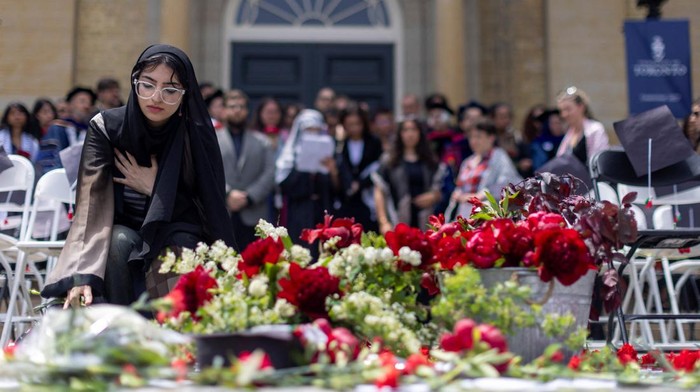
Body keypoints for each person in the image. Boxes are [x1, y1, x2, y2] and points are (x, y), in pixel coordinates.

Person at [41, 44, 235, 308]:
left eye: (170, 89)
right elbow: (91, 204)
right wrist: (82, 273)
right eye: (148, 84)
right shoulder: (107, 127)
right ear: (134, 83)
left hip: (178, 228)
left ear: (185, 95)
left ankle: (173, 340)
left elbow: (208, 206)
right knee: (118, 241)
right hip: (123, 228)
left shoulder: (195, 134)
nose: (156, 97)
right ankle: (121, 330)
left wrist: (157, 189)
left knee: (182, 248)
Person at [217, 90, 276, 251]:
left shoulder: (262, 141)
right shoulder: (211, 139)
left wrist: (249, 196)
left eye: (241, 107)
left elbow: (270, 173)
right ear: (224, 110)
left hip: (254, 215)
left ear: (247, 111)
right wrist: (228, 193)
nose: (237, 110)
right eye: (232, 106)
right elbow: (205, 171)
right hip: (221, 213)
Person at [276, 109, 338, 245]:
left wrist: (331, 170)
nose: (312, 134)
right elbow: (283, 185)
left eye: (316, 130)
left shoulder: (330, 154)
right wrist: (301, 167)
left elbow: (338, 189)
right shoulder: (290, 156)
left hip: (322, 211)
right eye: (308, 130)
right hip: (298, 212)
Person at [373, 119, 445, 234]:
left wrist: (434, 196)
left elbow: (442, 188)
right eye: (405, 130)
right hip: (397, 220)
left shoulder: (430, 160)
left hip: (426, 222)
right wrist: (383, 222)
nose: (410, 134)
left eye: (414, 129)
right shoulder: (389, 160)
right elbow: (379, 191)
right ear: (400, 134)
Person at [451, 119, 522, 218]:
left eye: (478, 137)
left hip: (488, 213)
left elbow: (508, 181)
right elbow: (460, 186)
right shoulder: (467, 162)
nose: (474, 141)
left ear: (491, 138)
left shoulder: (499, 156)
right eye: (471, 137)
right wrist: (458, 193)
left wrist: (482, 195)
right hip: (465, 213)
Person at [336, 105, 383, 232]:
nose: (354, 128)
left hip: (367, 197)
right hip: (345, 199)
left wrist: (361, 184)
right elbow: (339, 167)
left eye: (357, 124)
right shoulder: (340, 144)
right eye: (349, 124)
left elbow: (378, 167)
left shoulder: (373, 142)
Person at [37, 86, 96, 174]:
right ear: (69, 105)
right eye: (82, 101)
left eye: (89, 103)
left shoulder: (91, 132)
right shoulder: (57, 128)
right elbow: (48, 162)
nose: (87, 106)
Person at [555, 86, 609, 166]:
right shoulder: (569, 133)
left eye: (568, 109)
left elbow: (599, 162)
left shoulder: (595, 129)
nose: (564, 114)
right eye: (562, 110)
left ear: (581, 107)